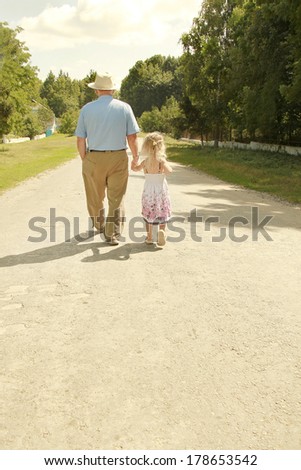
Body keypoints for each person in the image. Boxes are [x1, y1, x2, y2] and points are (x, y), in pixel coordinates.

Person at [75, 72, 140, 246]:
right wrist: (135, 157)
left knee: (95, 197)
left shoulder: (87, 109)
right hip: (118, 156)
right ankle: (112, 234)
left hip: (94, 156)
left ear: (96, 91)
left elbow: (81, 139)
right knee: (116, 198)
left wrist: (85, 160)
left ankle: (99, 224)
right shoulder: (124, 107)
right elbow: (132, 137)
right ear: (112, 90)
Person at [132, 132, 172, 247]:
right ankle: (162, 232)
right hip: (161, 190)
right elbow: (169, 171)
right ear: (161, 146)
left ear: (146, 146)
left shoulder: (145, 162)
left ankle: (149, 237)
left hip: (149, 191)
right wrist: (165, 166)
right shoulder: (161, 161)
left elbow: (135, 169)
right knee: (162, 211)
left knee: (149, 213)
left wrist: (133, 163)